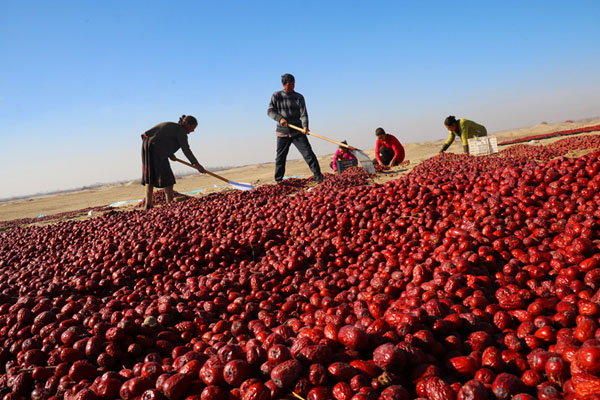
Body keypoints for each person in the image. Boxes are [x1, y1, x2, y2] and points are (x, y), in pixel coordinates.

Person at [267, 73, 324, 184]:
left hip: (297, 131)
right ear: (283, 84)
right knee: (280, 158)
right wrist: (280, 119)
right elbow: (270, 111)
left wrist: (305, 126)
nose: (292, 87)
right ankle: (279, 181)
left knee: (308, 154)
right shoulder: (276, 96)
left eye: (293, 84)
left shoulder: (299, 97)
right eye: (289, 84)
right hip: (282, 133)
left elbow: (303, 114)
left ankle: (319, 177)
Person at [141, 115, 205, 209]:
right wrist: (196, 164)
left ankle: (149, 204)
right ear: (187, 124)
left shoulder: (174, 127)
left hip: (147, 145)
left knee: (151, 176)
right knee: (168, 178)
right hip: (154, 147)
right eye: (192, 128)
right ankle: (169, 204)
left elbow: (162, 139)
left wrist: (169, 154)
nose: (192, 131)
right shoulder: (181, 131)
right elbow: (186, 149)